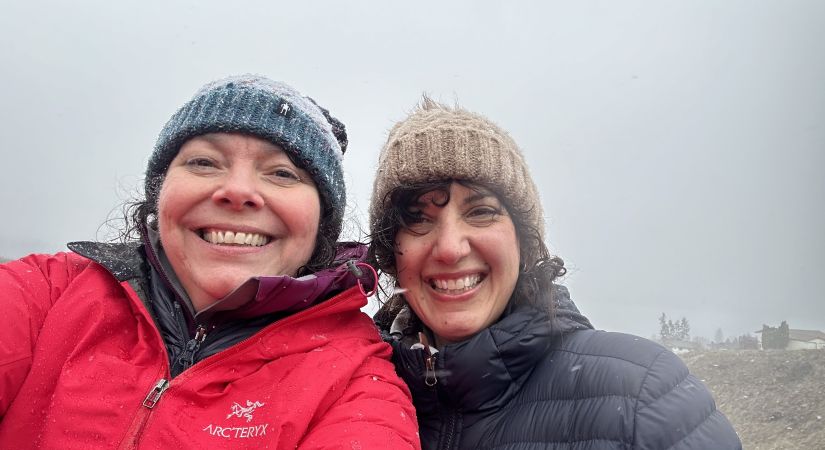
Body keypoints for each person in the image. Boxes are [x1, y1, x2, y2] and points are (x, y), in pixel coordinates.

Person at [0, 75, 419, 449]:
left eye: (281, 173)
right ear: (160, 193)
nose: (237, 190)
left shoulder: (356, 381)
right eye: (204, 162)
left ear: (320, 227)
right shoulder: (45, 292)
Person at [368, 97, 741, 449]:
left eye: (481, 211)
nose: (450, 248)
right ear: (390, 251)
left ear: (524, 241)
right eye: (417, 218)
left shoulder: (644, 398)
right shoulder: (355, 399)